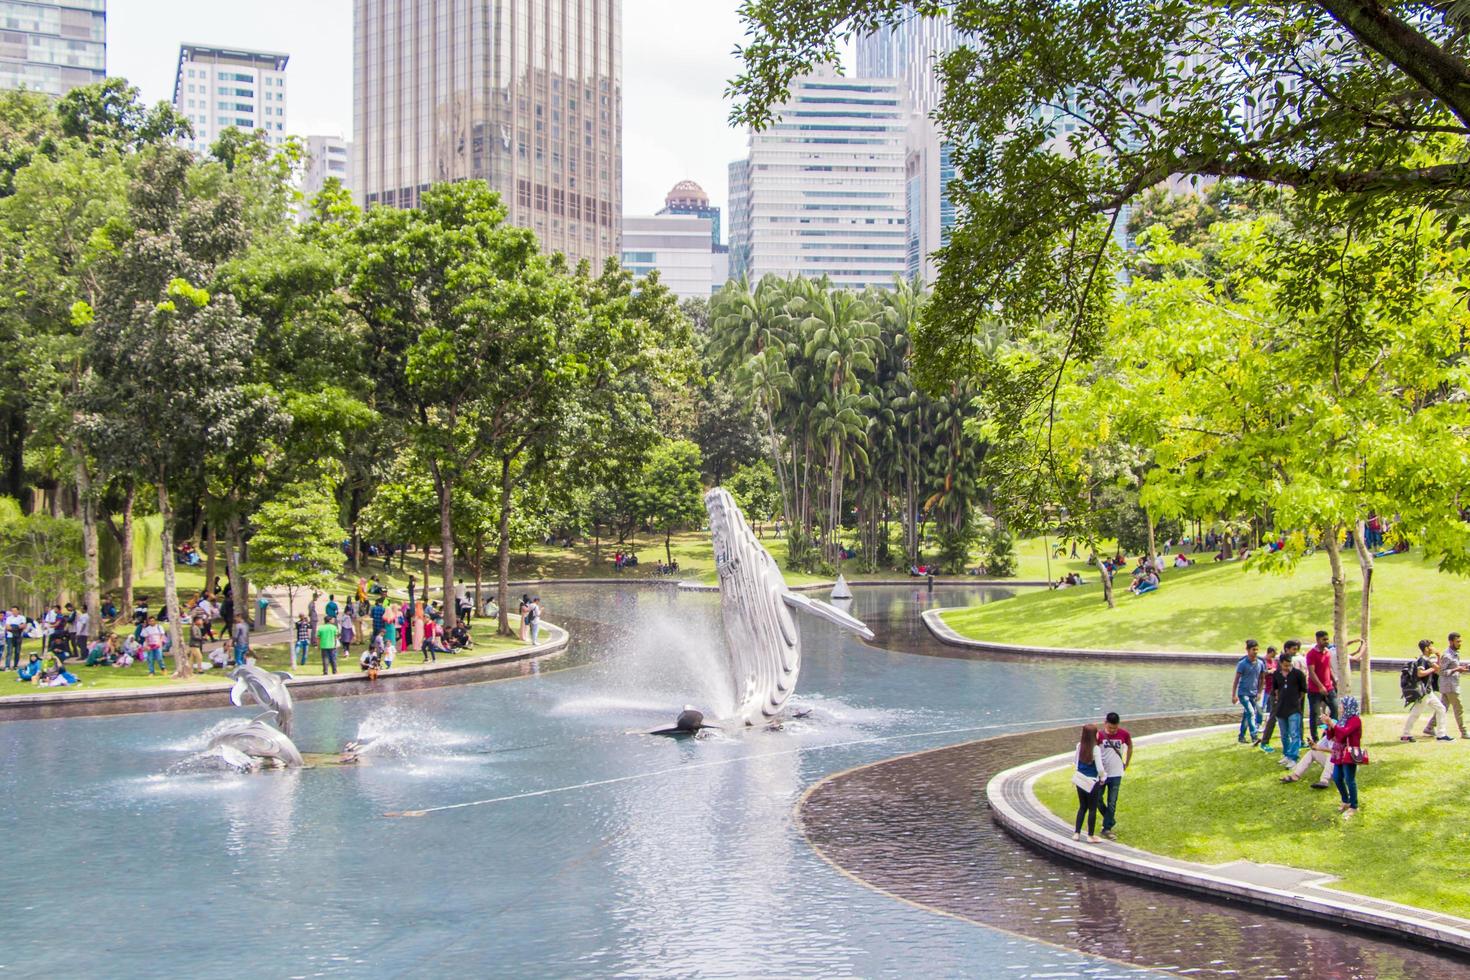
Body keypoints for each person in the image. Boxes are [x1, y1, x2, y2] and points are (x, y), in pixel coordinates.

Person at [1402, 639, 1451, 741]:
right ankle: (1406, 735)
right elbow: (1420, 673)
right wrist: (1433, 669)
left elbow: (1438, 669)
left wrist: (1438, 656)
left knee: (1441, 709)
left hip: (1428, 692)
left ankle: (1441, 735)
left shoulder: (1428, 659)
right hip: (1424, 692)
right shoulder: (1422, 660)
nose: (1433, 648)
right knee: (1416, 714)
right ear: (1426, 648)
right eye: (1431, 646)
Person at [1327, 695, 1365, 819]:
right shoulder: (1342, 718)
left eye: (1341, 705)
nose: (1339, 707)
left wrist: (1333, 724)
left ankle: (1354, 806)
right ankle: (1345, 800)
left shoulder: (1355, 720)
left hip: (1349, 753)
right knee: (1337, 777)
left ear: (1348, 706)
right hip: (1339, 753)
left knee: (1349, 779)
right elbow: (1331, 736)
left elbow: (1344, 732)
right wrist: (1328, 724)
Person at [1097, 712, 1132, 840]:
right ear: (1105, 723)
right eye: (1110, 728)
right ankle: (1110, 819)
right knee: (1097, 799)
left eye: (1115, 728)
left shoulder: (1124, 734)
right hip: (1102, 774)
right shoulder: (1099, 735)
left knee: (1112, 802)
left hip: (1116, 774)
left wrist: (1127, 762)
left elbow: (1130, 745)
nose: (1112, 730)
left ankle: (1107, 828)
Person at [1281, 707, 1335, 788]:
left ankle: (1324, 780)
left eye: (1328, 727)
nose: (1326, 730)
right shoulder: (1327, 736)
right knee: (1312, 752)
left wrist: (1319, 748)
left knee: (1332, 756)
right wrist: (1313, 745)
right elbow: (1317, 748)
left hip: (1343, 767)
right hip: (1333, 766)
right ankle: (1295, 775)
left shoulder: (1342, 734)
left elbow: (1336, 752)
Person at [1272, 645, 1308, 765]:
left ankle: (1294, 756)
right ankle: (1287, 754)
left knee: (1294, 733)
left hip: (1294, 709)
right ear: (1280, 664)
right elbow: (1276, 689)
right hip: (1281, 708)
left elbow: (1303, 690)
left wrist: (1297, 700)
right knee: (1284, 734)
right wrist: (1279, 698)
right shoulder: (1277, 674)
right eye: (1285, 665)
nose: (1288, 668)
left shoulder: (1298, 674)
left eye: (1289, 665)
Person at [1071, 723, 1106, 843]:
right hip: (1092, 782)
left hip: (1080, 780)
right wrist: (1103, 777)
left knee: (1082, 807)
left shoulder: (1079, 746)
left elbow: (1075, 762)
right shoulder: (1095, 749)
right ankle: (1090, 836)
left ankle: (1077, 833)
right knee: (1092, 808)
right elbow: (1100, 768)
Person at [1433, 632, 1468, 739]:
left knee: (1442, 708)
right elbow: (1441, 672)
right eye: (1457, 641)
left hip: (1450, 685)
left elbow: (1451, 669)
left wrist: (1461, 668)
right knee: (1459, 709)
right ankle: (1464, 732)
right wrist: (1457, 669)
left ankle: (1429, 727)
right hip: (1450, 687)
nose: (1460, 643)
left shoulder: (1454, 653)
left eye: (1460, 641)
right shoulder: (1447, 655)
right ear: (1451, 641)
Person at [1305, 630, 1339, 742]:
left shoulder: (1327, 652)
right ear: (1318, 640)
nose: (1326, 641)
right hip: (1315, 690)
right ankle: (1315, 739)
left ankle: (1328, 735)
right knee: (1315, 714)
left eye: (1327, 639)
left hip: (1329, 688)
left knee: (1335, 709)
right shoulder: (1311, 654)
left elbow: (1328, 668)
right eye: (1324, 639)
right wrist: (1320, 686)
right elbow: (1312, 672)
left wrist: (1334, 681)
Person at [1232, 640, 1266, 744]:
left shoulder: (1260, 663)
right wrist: (1234, 695)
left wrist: (1260, 692)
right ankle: (1254, 736)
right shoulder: (1242, 664)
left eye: (1257, 649)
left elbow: (1262, 679)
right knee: (1251, 713)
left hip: (1253, 694)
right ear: (1247, 650)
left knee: (1247, 715)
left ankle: (1241, 737)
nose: (1255, 652)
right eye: (1253, 649)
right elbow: (1236, 680)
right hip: (1243, 693)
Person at [1257, 646, 1280, 753]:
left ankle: (1265, 724)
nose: (1275, 655)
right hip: (1265, 687)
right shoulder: (1263, 661)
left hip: (1272, 688)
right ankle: (1258, 724)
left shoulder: (1274, 661)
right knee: (1261, 707)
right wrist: (1270, 671)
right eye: (1274, 653)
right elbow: (1262, 673)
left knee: (1271, 710)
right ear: (1270, 652)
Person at [3, 606, 25, 671]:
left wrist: (13, 627)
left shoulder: (22, 618)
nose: (14, 612)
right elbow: (7, 627)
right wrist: (17, 627)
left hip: (18, 637)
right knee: (9, 651)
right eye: (12, 611)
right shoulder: (9, 618)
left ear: (18, 611)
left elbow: (23, 626)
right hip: (10, 636)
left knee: (17, 651)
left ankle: (15, 665)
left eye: (15, 611)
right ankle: (7, 666)